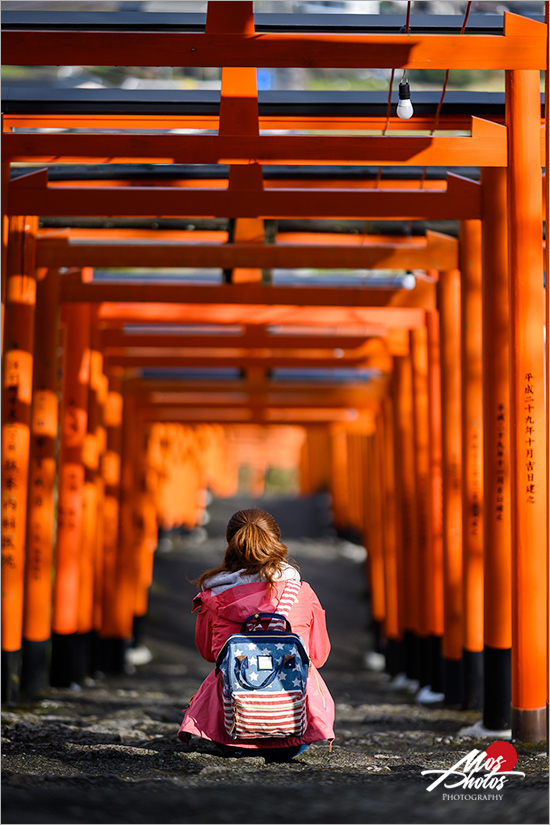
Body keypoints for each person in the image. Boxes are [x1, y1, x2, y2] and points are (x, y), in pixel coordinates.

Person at [178, 508, 335, 759]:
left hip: (230, 731)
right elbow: (318, 656)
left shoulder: (213, 597)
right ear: (275, 540)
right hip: (296, 730)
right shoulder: (302, 593)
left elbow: (209, 653)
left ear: (231, 543)